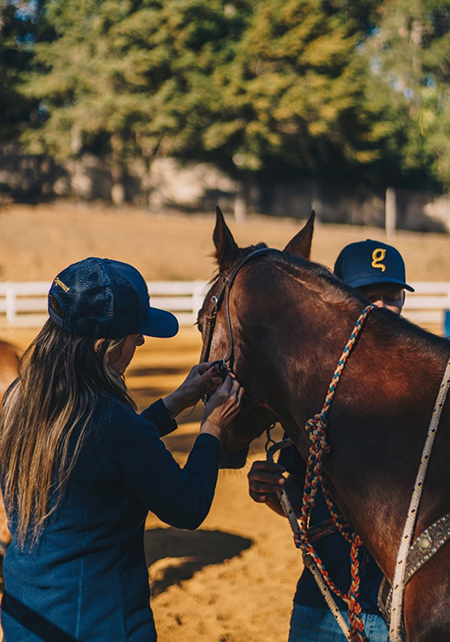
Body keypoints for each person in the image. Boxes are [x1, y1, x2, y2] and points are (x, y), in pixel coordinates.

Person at [0, 257, 244, 642]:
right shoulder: (112, 422)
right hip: (102, 626)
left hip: (27, 620)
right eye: (134, 335)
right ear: (104, 347)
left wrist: (176, 401)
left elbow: (97, 457)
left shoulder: (20, 400)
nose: (141, 341)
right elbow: (188, 507)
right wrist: (211, 427)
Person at [248, 239, 414, 642]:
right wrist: (274, 492)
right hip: (322, 601)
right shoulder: (313, 391)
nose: (382, 309)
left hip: (408, 610)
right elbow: (304, 495)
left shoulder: (430, 389)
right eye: (365, 296)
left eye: (392, 296)